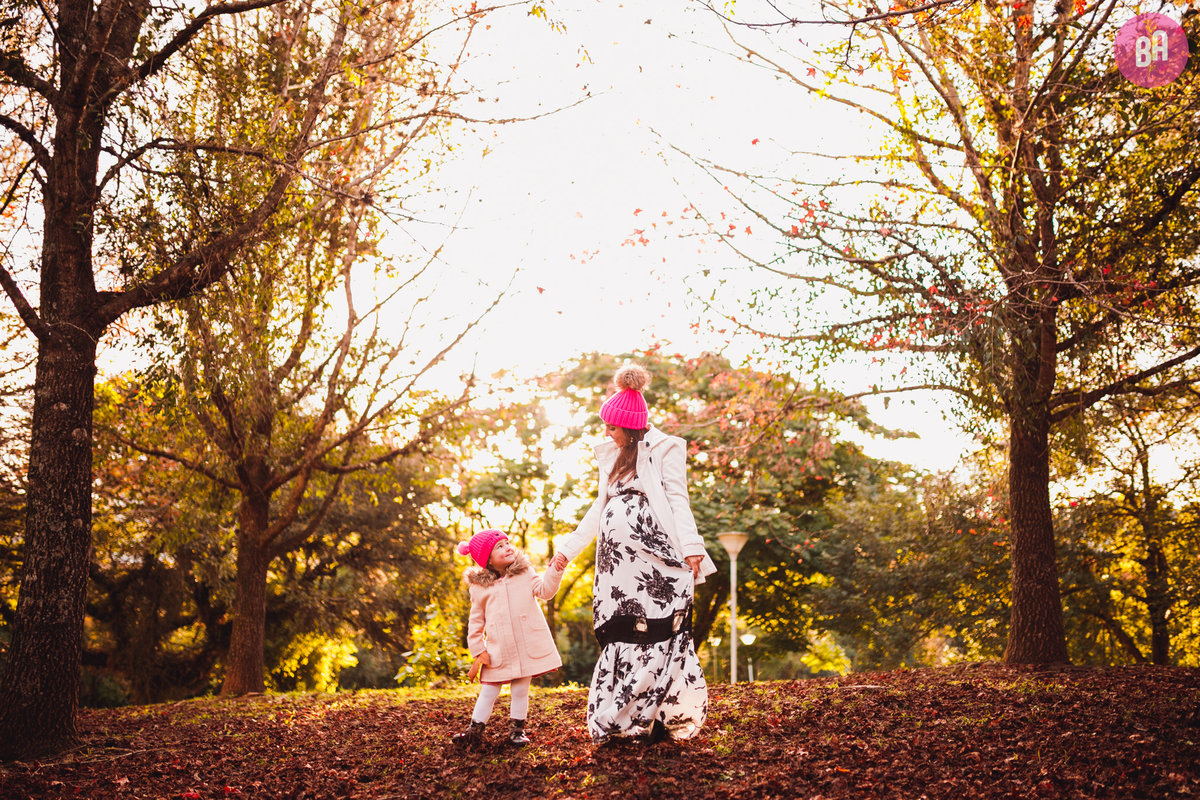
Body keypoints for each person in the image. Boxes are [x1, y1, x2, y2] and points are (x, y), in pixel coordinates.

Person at [556, 363, 717, 745]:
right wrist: (566, 551)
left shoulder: (665, 448)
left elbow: (678, 500)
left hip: (656, 563)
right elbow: (598, 510)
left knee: (659, 635)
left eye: (611, 427)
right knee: (622, 636)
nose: (606, 433)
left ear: (629, 426)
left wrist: (692, 546)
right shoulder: (611, 458)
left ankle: (655, 717)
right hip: (617, 569)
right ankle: (624, 717)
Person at [451, 529, 566, 748]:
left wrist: (555, 570)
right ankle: (474, 732)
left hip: (524, 646)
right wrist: (478, 650)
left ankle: (517, 731)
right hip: (497, 650)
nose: (507, 548)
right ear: (488, 559)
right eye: (499, 547)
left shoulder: (524, 573)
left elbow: (545, 590)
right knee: (489, 691)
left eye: (508, 543)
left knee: (521, 690)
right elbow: (475, 622)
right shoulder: (479, 587)